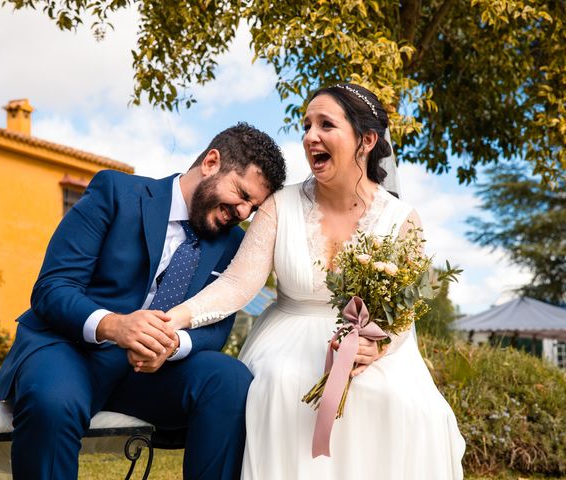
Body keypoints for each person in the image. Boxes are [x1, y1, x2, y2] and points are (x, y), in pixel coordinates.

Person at [165, 84, 466, 479]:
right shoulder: (279, 206)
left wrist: (375, 349)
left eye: (326, 124)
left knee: (406, 403)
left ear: (366, 141)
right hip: (286, 338)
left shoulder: (402, 218)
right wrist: (174, 320)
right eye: (306, 125)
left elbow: (404, 312)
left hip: (371, 344)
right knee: (282, 384)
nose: (310, 136)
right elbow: (236, 285)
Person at [0, 122, 287, 480]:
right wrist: (115, 325)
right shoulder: (116, 192)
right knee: (53, 404)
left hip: (154, 374)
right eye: (241, 194)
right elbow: (53, 288)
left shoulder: (232, 245)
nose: (242, 212)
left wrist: (173, 343)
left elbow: (217, 324)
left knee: (230, 379)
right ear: (211, 162)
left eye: (252, 207)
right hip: (71, 351)